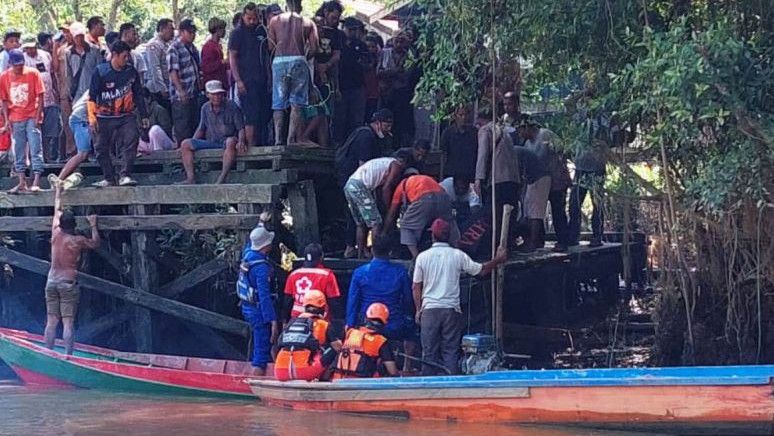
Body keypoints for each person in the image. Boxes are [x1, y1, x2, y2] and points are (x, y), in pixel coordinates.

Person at [413, 218, 508, 375]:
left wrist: (418, 310)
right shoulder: (457, 255)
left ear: (432, 236)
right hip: (451, 310)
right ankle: (452, 386)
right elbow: (481, 271)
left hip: (429, 310)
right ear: (450, 236)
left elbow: (416, 286)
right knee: (451, 351)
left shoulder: (422, 257)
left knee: (429, 352)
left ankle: (428, 389)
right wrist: (498, 259)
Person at [346, 235, 417, 370]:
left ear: (372, 250)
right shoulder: (400, 272)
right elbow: (408, 300)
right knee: (411, 331)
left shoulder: (360, 273)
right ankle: (406, 368)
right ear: (390, 252)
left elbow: (352, 302)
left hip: (366, 325)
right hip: (394, 324)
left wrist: (350, 325)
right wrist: (409, 317)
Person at [45, 182, 99, 355]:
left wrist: (58, 192)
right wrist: (93, 225)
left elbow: (57, 210)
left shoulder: (55, 232)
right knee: (68, 322)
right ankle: (68, 356)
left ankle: (48, 354)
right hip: (67, 283)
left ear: (61, 224)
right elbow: (96, 243)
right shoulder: (77, 241)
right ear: (74, 225)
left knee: (52, 321)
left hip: (51, 281)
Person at [87, 41, 149, 187]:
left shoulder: (131, 72)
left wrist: (144, 115)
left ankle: (125, 175)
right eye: (124, 56)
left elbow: (138, 94)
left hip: (126, 115)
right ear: (114, 55)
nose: (126, 59)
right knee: (100, 147)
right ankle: (109, 178)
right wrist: (92, 117)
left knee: (131, 139)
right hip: (104, 116)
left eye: (128, 57)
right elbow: (92, 96)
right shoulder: (101, 71)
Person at [336, 108, 394, 257]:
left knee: (359, 220)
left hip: (354, 180)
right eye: (386, 126)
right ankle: (374, 252)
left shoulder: (373, 137)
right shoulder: (366, 136)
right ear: (378, 123)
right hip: (355, 178)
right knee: (372, 219)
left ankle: (358, 251)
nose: (388, 130)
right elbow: (364, 166)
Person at [267, 0, 319, 145]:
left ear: (285, 5)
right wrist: (303, 58)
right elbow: (315, 48)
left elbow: (270, 46)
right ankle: (291, 138)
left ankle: (278, 139)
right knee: (297, 103)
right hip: (298, 60)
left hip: (279, 61)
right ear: (300, 6)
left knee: (278, 103)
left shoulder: (274, 21)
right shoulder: (308, 22)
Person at [343, 150, 409, 258]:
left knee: (360, 223)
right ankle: (377, 255)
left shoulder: (383, 162)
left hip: (350, 184)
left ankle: (360, 255)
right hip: (360, 186)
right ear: (404, 163)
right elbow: (386, 188)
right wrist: (388, 208)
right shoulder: (396, 165)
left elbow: (378, 188)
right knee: (376, 222)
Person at [178, 80, 246, 184]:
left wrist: (241, 141)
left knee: (230, 142)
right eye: (213, 94)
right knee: (185, 144)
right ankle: (190, 178)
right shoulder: (205, 108)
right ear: (208, 95)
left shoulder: (231, 106)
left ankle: (222, 178)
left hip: (227, 141)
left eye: (219, 94)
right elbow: (201, 129)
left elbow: (240, 128)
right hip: (211, 141)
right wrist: (192, 141)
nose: (216, 97)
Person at [520, 117, 572, 251]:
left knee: (558, 211)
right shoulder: (527, 144)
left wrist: (562, 171)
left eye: (521, 130)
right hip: (539, 182)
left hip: (556, 180)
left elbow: (563, 151)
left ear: (527, 127)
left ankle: (563, 241)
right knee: (536, 212)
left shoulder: (546, 135)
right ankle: (538, 240)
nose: (520, 135)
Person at [474, 107, 520, 250]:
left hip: (498, 177)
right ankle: (508, 245)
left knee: (495, 214)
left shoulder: (485, 130)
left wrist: (478, 178)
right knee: (510, 214)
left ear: (479, 121)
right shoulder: (504, 131)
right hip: (513, 178)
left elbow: (483, 154)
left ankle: (492, 247)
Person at [0, 49, 45, 193]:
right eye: (16, 65)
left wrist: (38, 116)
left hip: (32, 115)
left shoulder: (33, 73)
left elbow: (41, 95)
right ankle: (21, 182)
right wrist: (7, 121)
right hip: (15, 117)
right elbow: (5, 101)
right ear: (11, 64)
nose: (19, 67)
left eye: (21, 64)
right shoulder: (4, 77)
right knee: (18, 149)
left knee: (35, 147)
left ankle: (36, 180)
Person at [384, 174, 460, 258]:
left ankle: (416, 257)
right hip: (443, 196)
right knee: (448, 223)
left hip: (423, 198)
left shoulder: (400, 187)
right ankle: (457, 252)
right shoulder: (423, 179)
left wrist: (385, 232)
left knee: (406, 226)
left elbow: (392, 213)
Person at [229, 3, 273, 146]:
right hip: (246, 80)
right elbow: (232, 57)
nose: (252, 21)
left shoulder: (261, 31)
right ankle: (252, 146)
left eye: (255, 18)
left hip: (262, 79)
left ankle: (261, 143)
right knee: (251, 114)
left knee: (264, 113)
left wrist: (269, 78)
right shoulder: (237, 33)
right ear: (243, 16)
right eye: (249, 18)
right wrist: (238, 80)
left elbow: (267, 55)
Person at [237, 223, 278, 375]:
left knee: (259, 345)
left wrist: (260, 222)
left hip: (246, 306)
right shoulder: (261, 268)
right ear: (266, 246)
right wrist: (272, 320)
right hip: (257, 310)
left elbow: (250, 242)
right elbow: (264, 296)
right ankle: (256, 386)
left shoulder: (247, 254)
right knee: (261, 353)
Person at [274, 290, 342, 381]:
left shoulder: (291, 323)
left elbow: (275, 348)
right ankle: (324, 379)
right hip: (305, 372)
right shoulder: (323, 325)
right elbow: (337, 347)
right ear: (323, 307)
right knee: (335, 348)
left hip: (280, 371)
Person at [569, 111, 612, 247]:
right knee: (574, 204)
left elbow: (609, 138)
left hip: (597, 169)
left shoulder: (603, 118)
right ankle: (573, 235)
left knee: (597, 205)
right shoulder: (579, 117)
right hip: (581, 168)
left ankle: (597, 236)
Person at [333, 303, 399, 379]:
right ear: (385, 322)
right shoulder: (380, 341)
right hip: (363, 385)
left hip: (338, 382)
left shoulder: (349, 333)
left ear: (366, 318)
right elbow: (392, 372)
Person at [23, 38, 61, 163]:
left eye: (32, 47)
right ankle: (34, 158)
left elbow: (52, 74)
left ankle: (47, 157)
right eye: (27, 48)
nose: (30, 50)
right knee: (34, 131)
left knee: (49, 131)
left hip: (49, 98)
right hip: (32, 102)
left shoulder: (46, 55)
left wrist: (56, 91)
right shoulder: (23, 59)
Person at [282, 243, 341, 321]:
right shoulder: (327, 275)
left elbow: (287, 302)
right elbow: (333, 302)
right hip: (319, 321)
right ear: (321, 257)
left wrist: (285, 322)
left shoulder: (293, 274)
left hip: (296, 320)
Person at [168, 18, 202, 147]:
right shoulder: (174, 48)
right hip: (180, 96)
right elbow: (173, 72)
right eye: (190, 32)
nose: (193, 35)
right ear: (182, 32)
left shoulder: (193, 48)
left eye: (194, 32)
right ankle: (181, 160)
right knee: (183, 128)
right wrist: (181, 91)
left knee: (194, 125)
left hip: (193, 93)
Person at [378, 32, 415, 146]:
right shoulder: (385, 53)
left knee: (400, 123)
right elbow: (378, 72)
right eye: (396, 41)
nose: (398, 44)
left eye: (401, 41)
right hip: (385, 93)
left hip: (401, 94)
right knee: (384, 119)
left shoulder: (409, 56)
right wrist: (394, 72)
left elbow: (407, 76)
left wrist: (391, 73)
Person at [335, 17, 368, 145]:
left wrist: (362, 63)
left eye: (355, 30)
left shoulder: (361, 45)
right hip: (341, 86)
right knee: (340, 118)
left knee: (356, 119)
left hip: (357, 86)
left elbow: (369, 63)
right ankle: (339, 144)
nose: (353, 32)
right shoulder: (339, 42)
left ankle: (355, 144)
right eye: (350, 29)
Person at [514, 142, 551, 252]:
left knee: (535, 212)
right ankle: (537, 240)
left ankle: (533, 243)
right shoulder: (517, 150)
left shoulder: (513, 153)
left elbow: (519, 172)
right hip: (532, 179)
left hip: (540, 178)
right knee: (529, 212)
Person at [55, 91, 90, 182]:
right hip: (80, 119)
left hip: (82, 117)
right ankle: (59, 179)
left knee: (86, 153)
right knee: (82, 154)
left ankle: (75, 175)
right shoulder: (97, 85)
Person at [143, 19, 175, 113]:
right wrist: (162, 88)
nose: (173, 32)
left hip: (168, 85)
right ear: (162, 29)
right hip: (157, 90)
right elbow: (155, 68)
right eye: (171, 29)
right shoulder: (154, 45)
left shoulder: (167, 44)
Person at [67, 22, 102, 103]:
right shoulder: (68, 53)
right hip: (77, 93)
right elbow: (68, 74)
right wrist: (69, 91)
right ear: (72, 37)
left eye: (81, 36)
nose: (79, 39)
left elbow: (100, 71)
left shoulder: (95, 50)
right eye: (76, 37)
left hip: (92, 91)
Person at [440, 106, 478, 180]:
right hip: (452, 173)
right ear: (455, 116)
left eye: (466, 115)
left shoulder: (474, 132)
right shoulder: (448, 133)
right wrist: (441, 176)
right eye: (461, 115)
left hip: (469, 173)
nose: (463, 118)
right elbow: (443, 155)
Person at [137, 90, 174, 154]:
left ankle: (158, 155)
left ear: (149, 99)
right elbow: (138, 131)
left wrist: (149, 130)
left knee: (155, 129)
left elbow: (167, 131)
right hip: (148, 144)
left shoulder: (159, 109)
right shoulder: (137, 112)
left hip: (164, 143)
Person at [201, 18, 229, 95]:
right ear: (217, 30)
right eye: (223, 29)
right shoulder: (208, 47)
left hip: (220, 84)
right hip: (213, 86)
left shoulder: (218, 45)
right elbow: (206, 67)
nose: (224, 31)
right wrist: (222, 62)